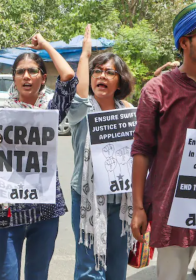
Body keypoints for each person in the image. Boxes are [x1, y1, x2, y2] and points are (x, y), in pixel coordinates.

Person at [0, 33, 77, 280]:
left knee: (38, 275)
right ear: (13, 78)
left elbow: (68, 78)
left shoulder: (51, 111)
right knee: (5, 275)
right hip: (8, 210)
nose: (26, 76)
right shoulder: (0, 115)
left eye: (33, 71)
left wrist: (45, 45)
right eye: (20, 71)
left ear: (43, 78)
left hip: (45, 211)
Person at [131, 3, 196, 280]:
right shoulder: (157, 90)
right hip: (174, 211)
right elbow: (142, 150)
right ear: (185, 42)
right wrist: (137, 208)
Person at [67, 25, 135, 279]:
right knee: (88, 269)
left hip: (120, 200)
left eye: (109, 72)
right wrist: (85, 56)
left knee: (117, 266)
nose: (101, 76)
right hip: (86, 197)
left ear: (120, 81)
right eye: (97, 71)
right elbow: (79, 96)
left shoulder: (128, 112)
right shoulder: (81, 111)